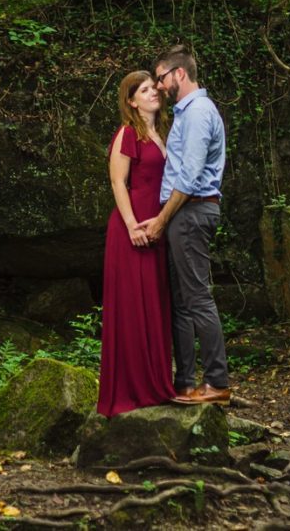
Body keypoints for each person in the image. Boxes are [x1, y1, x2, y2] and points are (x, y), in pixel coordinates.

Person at [139, 45, 229, 404]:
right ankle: (184, 382)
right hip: (182, 215)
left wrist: (161, 220)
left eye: (160, 78)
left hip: (190, 213)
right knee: (181, 301)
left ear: (178, 74)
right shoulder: (185, 114)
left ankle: (217, 383)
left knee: (197, 298)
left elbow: (189, 178)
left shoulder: (198, 113)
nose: (158, 87)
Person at [97, 69, 176, 416]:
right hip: (132, 231)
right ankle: (132, 390)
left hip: (156, 228)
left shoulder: (162, 132)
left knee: (154, 305)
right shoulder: (128, 133)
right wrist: (131, 227)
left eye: (153, 87)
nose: (153, 92)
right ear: (131, 100)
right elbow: (117, 182)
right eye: (144, 90)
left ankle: (156, 384)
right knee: (132, 308)